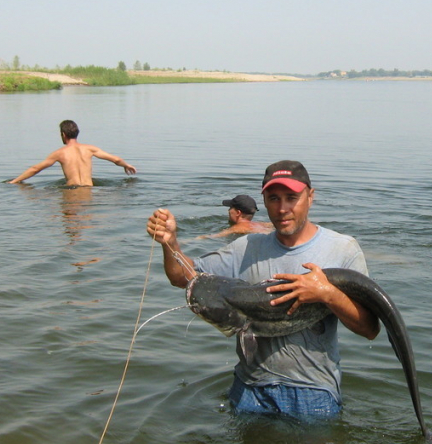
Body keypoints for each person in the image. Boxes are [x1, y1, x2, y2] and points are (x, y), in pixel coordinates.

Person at [147, 160, 379, 419]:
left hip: (313, 393)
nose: (282, 209)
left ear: (310, 197)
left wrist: (327, 294)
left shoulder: (343, 249)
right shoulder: (245, 247)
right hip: (249, 390)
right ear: (264, 201)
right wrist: (170, 243)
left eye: (292, 198)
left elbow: (369, 330)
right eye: (273, 199)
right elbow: (184, 278)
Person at [9, 120, 136, 186]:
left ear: (63, 135)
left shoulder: (59, 153)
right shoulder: (90, 149)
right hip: (89, 191)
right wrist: (126, 165)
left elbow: (35, 169)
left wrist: (15, 181)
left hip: (71, 192)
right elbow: (116, 159)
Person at [199, 194, 273, 238]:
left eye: (230, 208)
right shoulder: (260, 225)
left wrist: (190, 240)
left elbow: (213, 236)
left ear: (238, 213)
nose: (228, 211)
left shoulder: (236, 228)